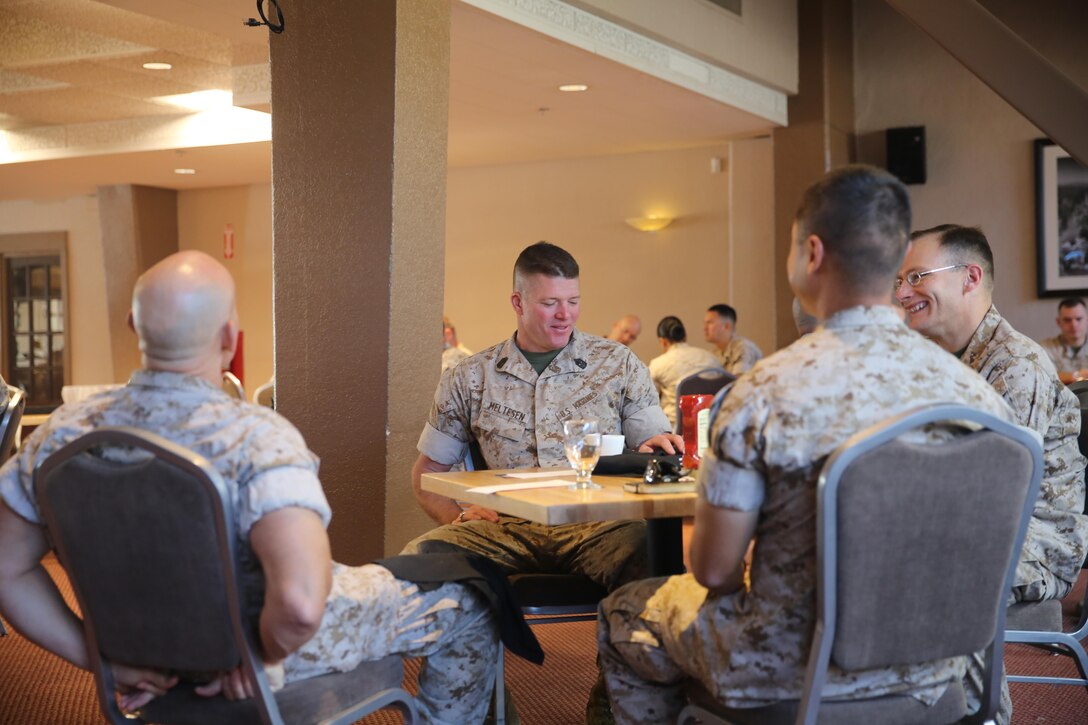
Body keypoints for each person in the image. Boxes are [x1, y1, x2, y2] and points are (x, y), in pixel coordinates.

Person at [0, 251, 498, 725]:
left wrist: (103, 657)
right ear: (227, 335)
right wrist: (261, 655)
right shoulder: (256, 437)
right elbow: (302, 606)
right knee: (471, 601)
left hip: (139, 642)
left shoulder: (61, 435)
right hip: (256, 639)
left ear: (134, 327)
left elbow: (6, 568)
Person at [598, 166, 1017, 724]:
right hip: (934, 674)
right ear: (896, 259)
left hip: (789, 670)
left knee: (625, 613)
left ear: (811, 253)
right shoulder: (979, 398)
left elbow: (715, 570)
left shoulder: (763, 391)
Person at [405, 241, 682, 593]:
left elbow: (653, 449)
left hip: (599, 525)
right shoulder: (471, 376)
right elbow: (426, 474)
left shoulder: (618, 365)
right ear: (518, 303)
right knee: (420, 562)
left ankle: (623, 649)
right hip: (503, 528)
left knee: (658, 561)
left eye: (573, 301)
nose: (565, 314)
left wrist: (657, 451)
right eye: (550, 303)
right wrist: (457, 517)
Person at [896, 224, 1088, 603]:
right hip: (970, 527)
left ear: (970, 277)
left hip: (1031, 544)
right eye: (899, 279)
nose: (902, 293)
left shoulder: (1015, 364)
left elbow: (993, 495)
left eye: (916, 277)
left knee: (880, 564)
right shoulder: (936, 357)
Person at [647, 316, 723, 428]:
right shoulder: (712, 358)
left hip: (676, 428)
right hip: (711, 425)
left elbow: (648, 400)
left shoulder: (658, 364)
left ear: (663, 342)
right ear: (685, 337)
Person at [1039, 297, 1088, 384]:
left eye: (1079, 319)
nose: (1074, 325)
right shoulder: (1045, 348)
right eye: (1067, 320)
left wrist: (1065, 377)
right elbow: (1043, 377)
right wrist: (1077, 375)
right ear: (1058, 322)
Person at [703, 303, 762, 374]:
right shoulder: (713, 353)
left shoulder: (744, 348)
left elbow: (739, 381)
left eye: (710, 323)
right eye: (705, 323)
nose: (705, 328)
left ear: (727, 326)